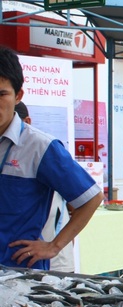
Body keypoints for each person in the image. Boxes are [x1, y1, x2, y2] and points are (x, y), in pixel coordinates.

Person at [0, 46, 103, 270]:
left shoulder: (40, 146)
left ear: (18, 96)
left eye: (1, 94)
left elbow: (91, 198)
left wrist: (54, 246)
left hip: (22, 276)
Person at [15, 102, 75, 272]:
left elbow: (88, 199)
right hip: (20, 263)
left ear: (27, 121)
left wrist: (55, 245)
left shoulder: (44, 149)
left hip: (55, 264)